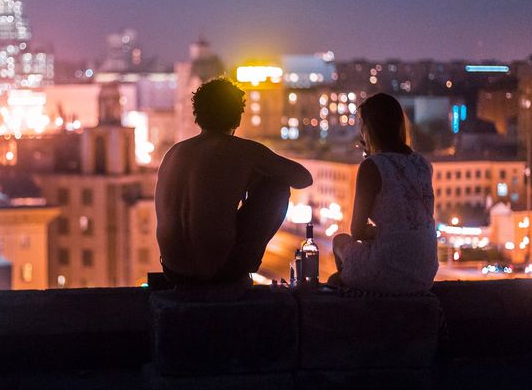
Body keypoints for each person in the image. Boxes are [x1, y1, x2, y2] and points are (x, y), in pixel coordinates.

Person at [155, 77, 312, 286]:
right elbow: (303, 179)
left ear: (197, 117)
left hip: (173, 272)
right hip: (218, 274)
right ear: (237, 119)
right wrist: (255, 174)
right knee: (276, 186)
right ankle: (241, 275)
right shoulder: (244, 150)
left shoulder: (173, 153)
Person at [332, 93, 438, 293]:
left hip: (389, 268)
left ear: (368, 129)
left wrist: (381, 232)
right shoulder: (423, 163)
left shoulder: (372, 166)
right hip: (425, 271)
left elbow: (357, 231)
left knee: (339, 241)